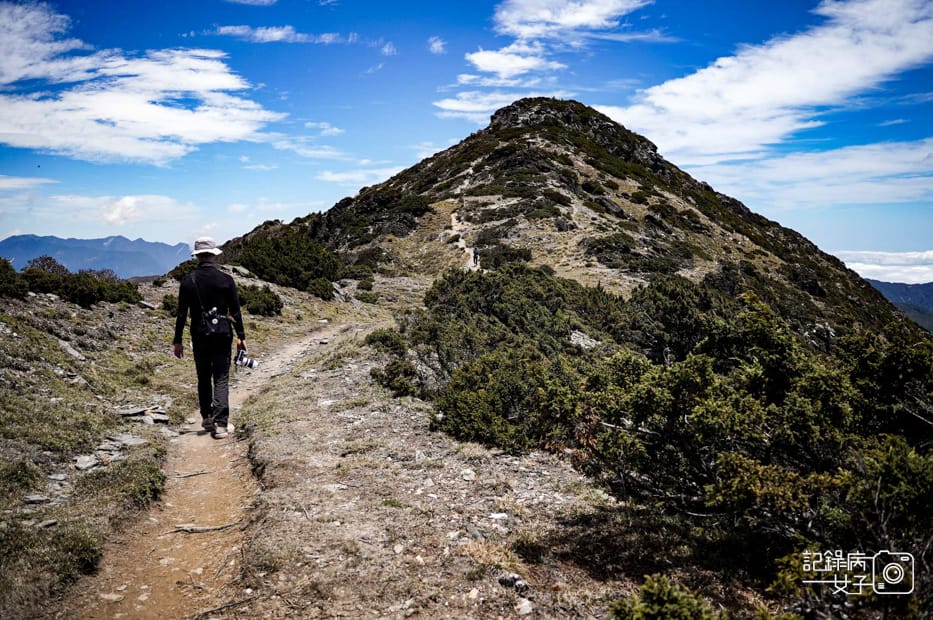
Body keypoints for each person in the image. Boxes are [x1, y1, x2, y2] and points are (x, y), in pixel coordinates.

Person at [172, 237, 247, 439]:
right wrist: (241, 336)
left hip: (199, 334)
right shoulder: (226, 280)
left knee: (203, 376)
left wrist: (177, 340)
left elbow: (181, 313)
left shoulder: (188, 280)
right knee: (221, 378)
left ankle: (206, 418)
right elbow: (236, 311)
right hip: (223, 333)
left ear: (197, 256)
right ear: (214, 255)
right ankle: (221, 424)